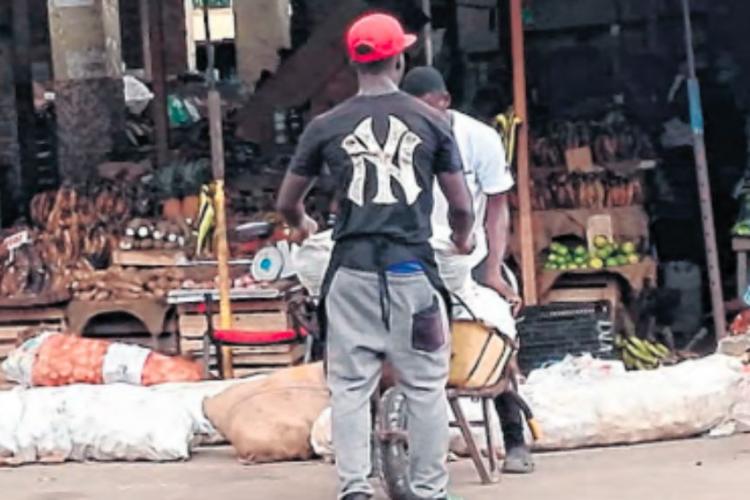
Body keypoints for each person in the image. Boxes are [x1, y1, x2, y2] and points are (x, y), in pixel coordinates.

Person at [276, 13, 475, 500]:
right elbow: (462, 206)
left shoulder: (325, 126)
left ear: (352, 62)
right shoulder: (433, 120)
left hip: (352, 274)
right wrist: (462, 238)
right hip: (412, 274)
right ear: (399, 58)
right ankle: (428, 491)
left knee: (350, 388)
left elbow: (287, 202)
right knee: (425, 386)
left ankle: (355, 490)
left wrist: (301, 223)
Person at [402, 66, 535, 474]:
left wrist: (493, 269)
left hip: (468, 257)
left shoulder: (479, 138)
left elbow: (497, 208)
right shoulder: (397, 138)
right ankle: (396, 442)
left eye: (427, 109)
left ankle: (514, 439)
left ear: (445, 101)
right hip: (415, 257)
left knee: (495, 340)